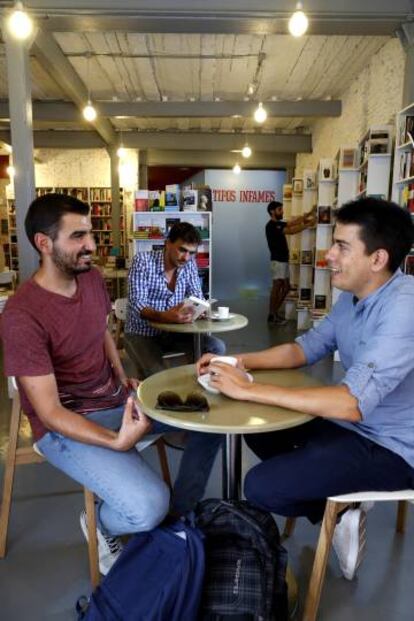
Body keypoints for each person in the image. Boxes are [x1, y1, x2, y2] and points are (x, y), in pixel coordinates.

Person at [1, 194, 220, 576]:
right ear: (43, 243)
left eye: (89, 233)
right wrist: (116, 441)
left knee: (210, 418)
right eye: (78, 236)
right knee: (148, 505)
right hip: (65, 425)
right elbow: (50, 413)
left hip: (116, 400)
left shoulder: (91, 279)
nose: (91, 244)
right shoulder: (22, 315)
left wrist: (121, 377)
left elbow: (101, 331)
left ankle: (180, 516)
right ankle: (101, 524)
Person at [197, 197, 414, 581]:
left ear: (377, 259)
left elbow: (351, 403)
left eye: (342, 247)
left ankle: (343, 508)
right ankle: (343, 507)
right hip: (350, 428)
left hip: (393, 448)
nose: (329, 255)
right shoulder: (353, 298)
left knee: (261, 486)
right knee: (258, 428)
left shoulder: (405, 307)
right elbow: (305, 348)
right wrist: (239, 363)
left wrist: (249, 389)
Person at [125, 221, 225, 378]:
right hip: (142, 333)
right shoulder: (142, 261)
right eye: (182, 250)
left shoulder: (189, 264)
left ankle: (194, 385)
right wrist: (165, 316)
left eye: (192, 253)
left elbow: (197, 296)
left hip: (175, 333)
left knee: (217, 348)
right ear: (167, 243)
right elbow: (137, 304)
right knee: (157, 376)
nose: (186, 257)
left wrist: (201, 310)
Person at [265, 200, 316, 324]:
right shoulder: (271, 226)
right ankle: (272, 315)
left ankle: (274, 313)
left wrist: (309, 213)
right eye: (280, 210)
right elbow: (291, 231)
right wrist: (308, 225)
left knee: (286, 287)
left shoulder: (279, 224)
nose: (282, 211)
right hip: (278, 261)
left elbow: (293, 223)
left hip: (283, 260)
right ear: (272, 211)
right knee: (277, 286)